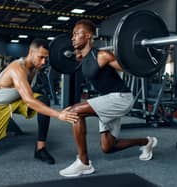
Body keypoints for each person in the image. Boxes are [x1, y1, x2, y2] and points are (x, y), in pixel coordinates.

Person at [59, 20, 158, 177]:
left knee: (74, 112)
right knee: (108, 147)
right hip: (108, 99)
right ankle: (146, 142)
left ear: (89, 36)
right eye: (73, 35)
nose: (73, 38)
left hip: (121, 97)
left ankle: (83, 163)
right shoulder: (81, 58)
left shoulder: (103, 55)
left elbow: (130, 68)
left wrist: (138, 52)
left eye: (77, 34)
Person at [0, 38, 78, 164]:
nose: (43, 62)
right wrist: (59, 114)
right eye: (41, 57)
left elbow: (60, 62)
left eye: (45, 59)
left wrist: (77, 56)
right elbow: (30, 100)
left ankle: (40, 149)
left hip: (17, 99)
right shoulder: (18, 69)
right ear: (31, 52)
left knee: (43, 100)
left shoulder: (36, 65)